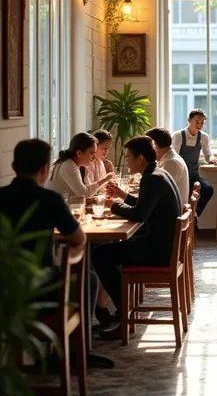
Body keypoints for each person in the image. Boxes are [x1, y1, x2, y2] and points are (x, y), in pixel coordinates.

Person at [93, 136, 182, 340]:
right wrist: (122, 196)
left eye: (128, 157)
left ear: (140, 158)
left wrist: (112, 205)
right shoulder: (159, 173)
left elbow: (139, 215)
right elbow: (146, 205)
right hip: (164, 246)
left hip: (158, 251)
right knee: (106, 252)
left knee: (100, 255)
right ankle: (123, 310)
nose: (126, 161)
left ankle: (124, 313)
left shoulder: (152, 178)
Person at [0, 139, 98, 322]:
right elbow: (79, 239)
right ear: (45, 168)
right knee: (89, 278)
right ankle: (76, 347)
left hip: (6, 283)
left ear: (14, 166)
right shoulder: (50, 200)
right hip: (42, 286)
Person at [171, 109, 217, 223]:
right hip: (179, 176)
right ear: (189, 120)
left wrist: (212, 159)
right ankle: (184, 223)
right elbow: (174, 157)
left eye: (202, 123)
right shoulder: (178, 135)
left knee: (208, 189)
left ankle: (194, 215)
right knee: (181, 196)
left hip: (193, 175)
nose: (199, 125)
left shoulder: (203, 137)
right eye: (197, 121)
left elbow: (208, 154)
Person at [46, 132, 113, 200]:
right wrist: (105, 179)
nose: (94, 156)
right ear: (79, 153)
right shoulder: (68, 165)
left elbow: (89, 190)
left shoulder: (81, 166)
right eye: (91, 153)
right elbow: (84, 194)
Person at [146, 127, 189, 207]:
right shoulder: (167, 158)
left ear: (154, 144)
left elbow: (157, 194)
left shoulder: (171, 163)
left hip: (171, 216)